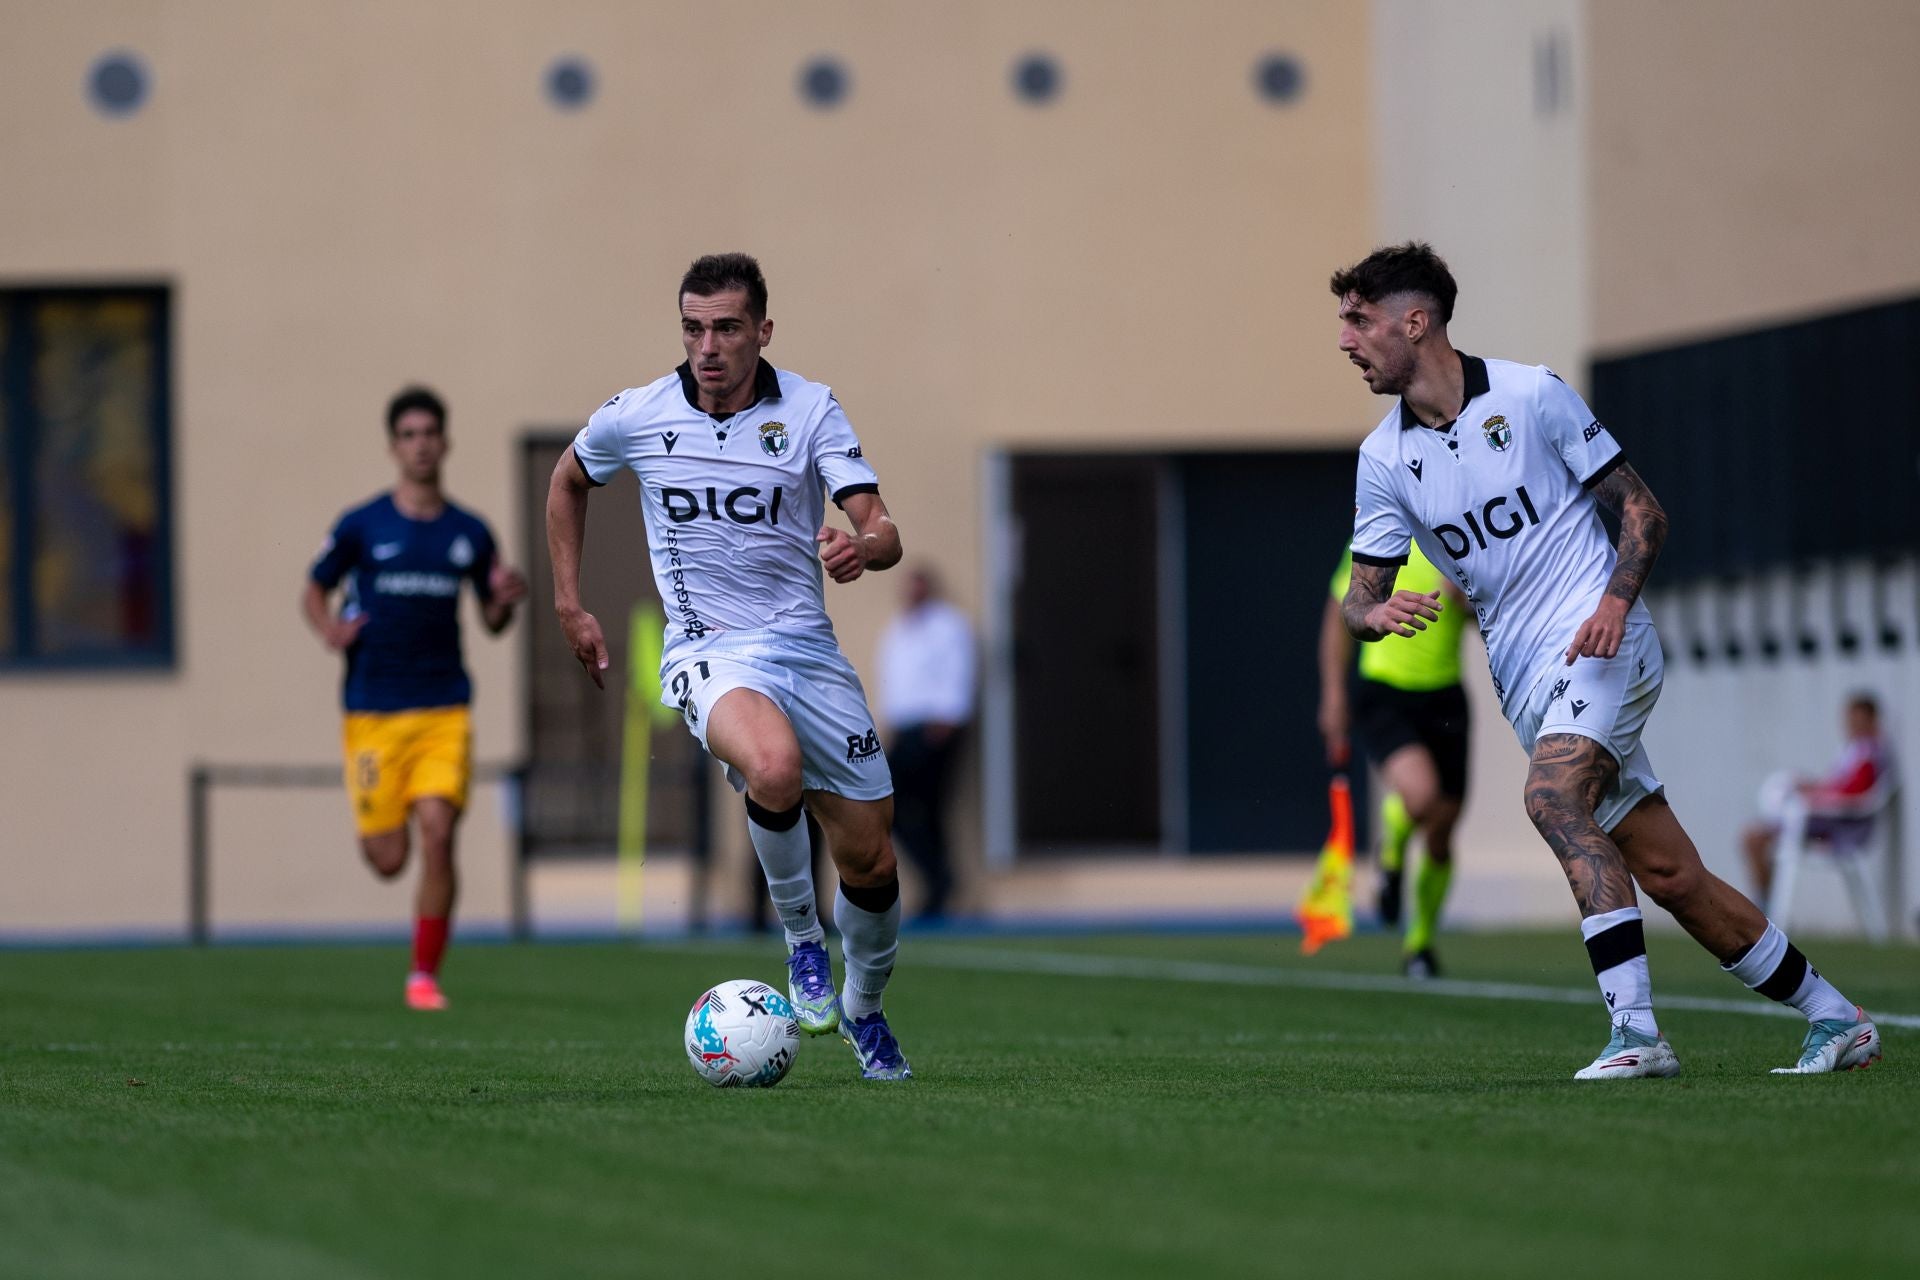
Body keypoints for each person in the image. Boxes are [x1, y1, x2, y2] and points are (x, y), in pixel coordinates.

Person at [1332, 242, 1880, 1077]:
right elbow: (1357, 596)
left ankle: (1637, 1034)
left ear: (1417, 321)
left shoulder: (1532, 394)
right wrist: (1376, 611)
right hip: (1527, 684)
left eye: (1359, 319)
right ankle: (1836, 1017)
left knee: (1551, 798)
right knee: (1669, 873)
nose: (1346, 339)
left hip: (1605, 642)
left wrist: (1614, 604)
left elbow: (1643, 513)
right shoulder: (1382, 460)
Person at [546, 252, 911, 1081]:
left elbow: (881, 526)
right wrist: (568, 601)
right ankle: (802, 945)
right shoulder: (637, 414)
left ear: (762, 332)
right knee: (773, 768)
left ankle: (864, 1008)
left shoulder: (812, 410)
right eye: (693, 328)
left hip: (807, 652)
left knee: (873, 859)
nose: (707, 346)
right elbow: (567, 482)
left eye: (726, 328)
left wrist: (864, 549)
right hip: (707, 650)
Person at [304, 386, 527, 1011]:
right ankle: (383, 824)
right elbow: (312, 590)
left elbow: (491, 618)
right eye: (409, 434)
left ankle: (423, 976)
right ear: (393, 447)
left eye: (430, 433)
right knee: (388, 858)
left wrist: (504, 600)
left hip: (443, 709)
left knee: (436, 834)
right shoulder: (361, 525)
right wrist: (329, 630)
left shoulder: (469, 532)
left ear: (445, 443)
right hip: (372, 713)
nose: (421, 444)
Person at [1316, 540, 1470, 977]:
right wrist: (1332, 693)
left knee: (1442, 829)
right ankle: (1393, 847)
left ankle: (1419, 943)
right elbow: (1338, 611)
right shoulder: (1381, 536)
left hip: (1445, 697)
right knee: (1421, 797)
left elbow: (1490, 616)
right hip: (1386, 690)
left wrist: (1469, 605)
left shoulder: (1458, 537)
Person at [875, 565, 976, 923]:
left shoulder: (948, 625)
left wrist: (945, 723)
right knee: (898, 809)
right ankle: (938, 881)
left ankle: (939, 885)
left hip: (934, 729)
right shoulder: (899, 628)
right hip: (906, 730)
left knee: (927, 809)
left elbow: (956, 675)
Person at [1742, 692, 1891, 900]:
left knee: (1754, 839)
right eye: (1851, 720)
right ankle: (1768, 908)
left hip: (1840, 826)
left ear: (1872, 720)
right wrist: (1811, 788)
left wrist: (1813, 796)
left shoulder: (1870, 752)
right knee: (1753, 838)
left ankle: (1766, 911)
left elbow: (1852, 793)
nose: (1853, 726)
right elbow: (1839, 786)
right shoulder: (1853, 750)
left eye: (1859, 720)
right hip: (1826, 818)